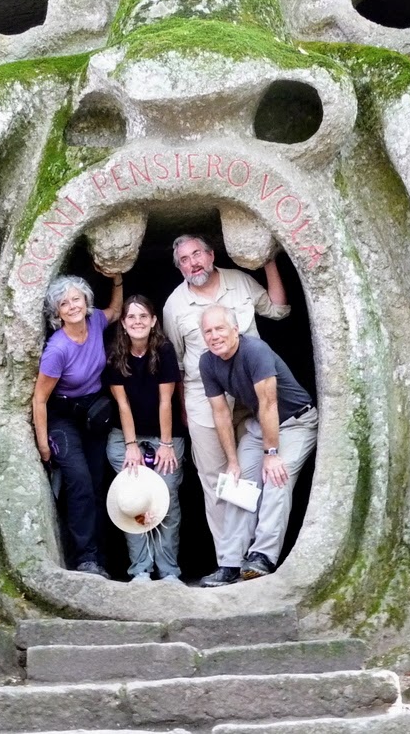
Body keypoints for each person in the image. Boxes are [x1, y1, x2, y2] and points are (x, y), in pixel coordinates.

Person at [162, 234, 289, 571]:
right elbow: (174, 362)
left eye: (198, 254)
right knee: (219, 478)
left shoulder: (238, 281)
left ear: (211, 254)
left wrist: (268, 259)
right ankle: (228, 561)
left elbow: (277, 308)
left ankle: (256, 557)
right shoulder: (174, 305)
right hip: (204, 399)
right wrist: (183, 409)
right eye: (185, 260)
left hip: (251, 393)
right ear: (180, 268)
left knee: (259, 469)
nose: (194, 263)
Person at [196, 304, 317, 587]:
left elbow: (269, 402)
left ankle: (262, 556)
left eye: (220, 328)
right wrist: (233, 462)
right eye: (208, 331)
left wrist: (271, 454)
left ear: (235, 330)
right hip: (259, 425)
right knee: (240, 486)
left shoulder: (255, 350)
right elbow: (221, 413)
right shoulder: (207, 362)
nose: (214, 336)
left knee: (276, 477)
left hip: (295, 421)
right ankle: (230, 563)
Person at [32, 272, 123, 578]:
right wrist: (44, 445)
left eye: (76, 299)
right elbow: (40, 400)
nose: (71, 306)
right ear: (56, 312)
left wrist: (118, 279)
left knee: (97, 483)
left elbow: (116, 312)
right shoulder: (57, 350)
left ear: (86, 302)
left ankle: (100, 557)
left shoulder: (96, 321)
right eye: (63, 303)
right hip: (62, 416)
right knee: (80, 483)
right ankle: (85, 558)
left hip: (92, 412)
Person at [104, 295, 185, 582]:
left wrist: (165, 444)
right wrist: (131, 446)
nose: (137, 322)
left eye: (143, 316)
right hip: (126, 437)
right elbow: (122, 405)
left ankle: (168, 570)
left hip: (165, 435)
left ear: (153, 321)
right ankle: (140, 569)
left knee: (166, 498)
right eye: (131, 318)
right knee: (132, 499)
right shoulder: (116, 354)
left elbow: (167, 401)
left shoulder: (163, 350)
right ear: (123, 324)